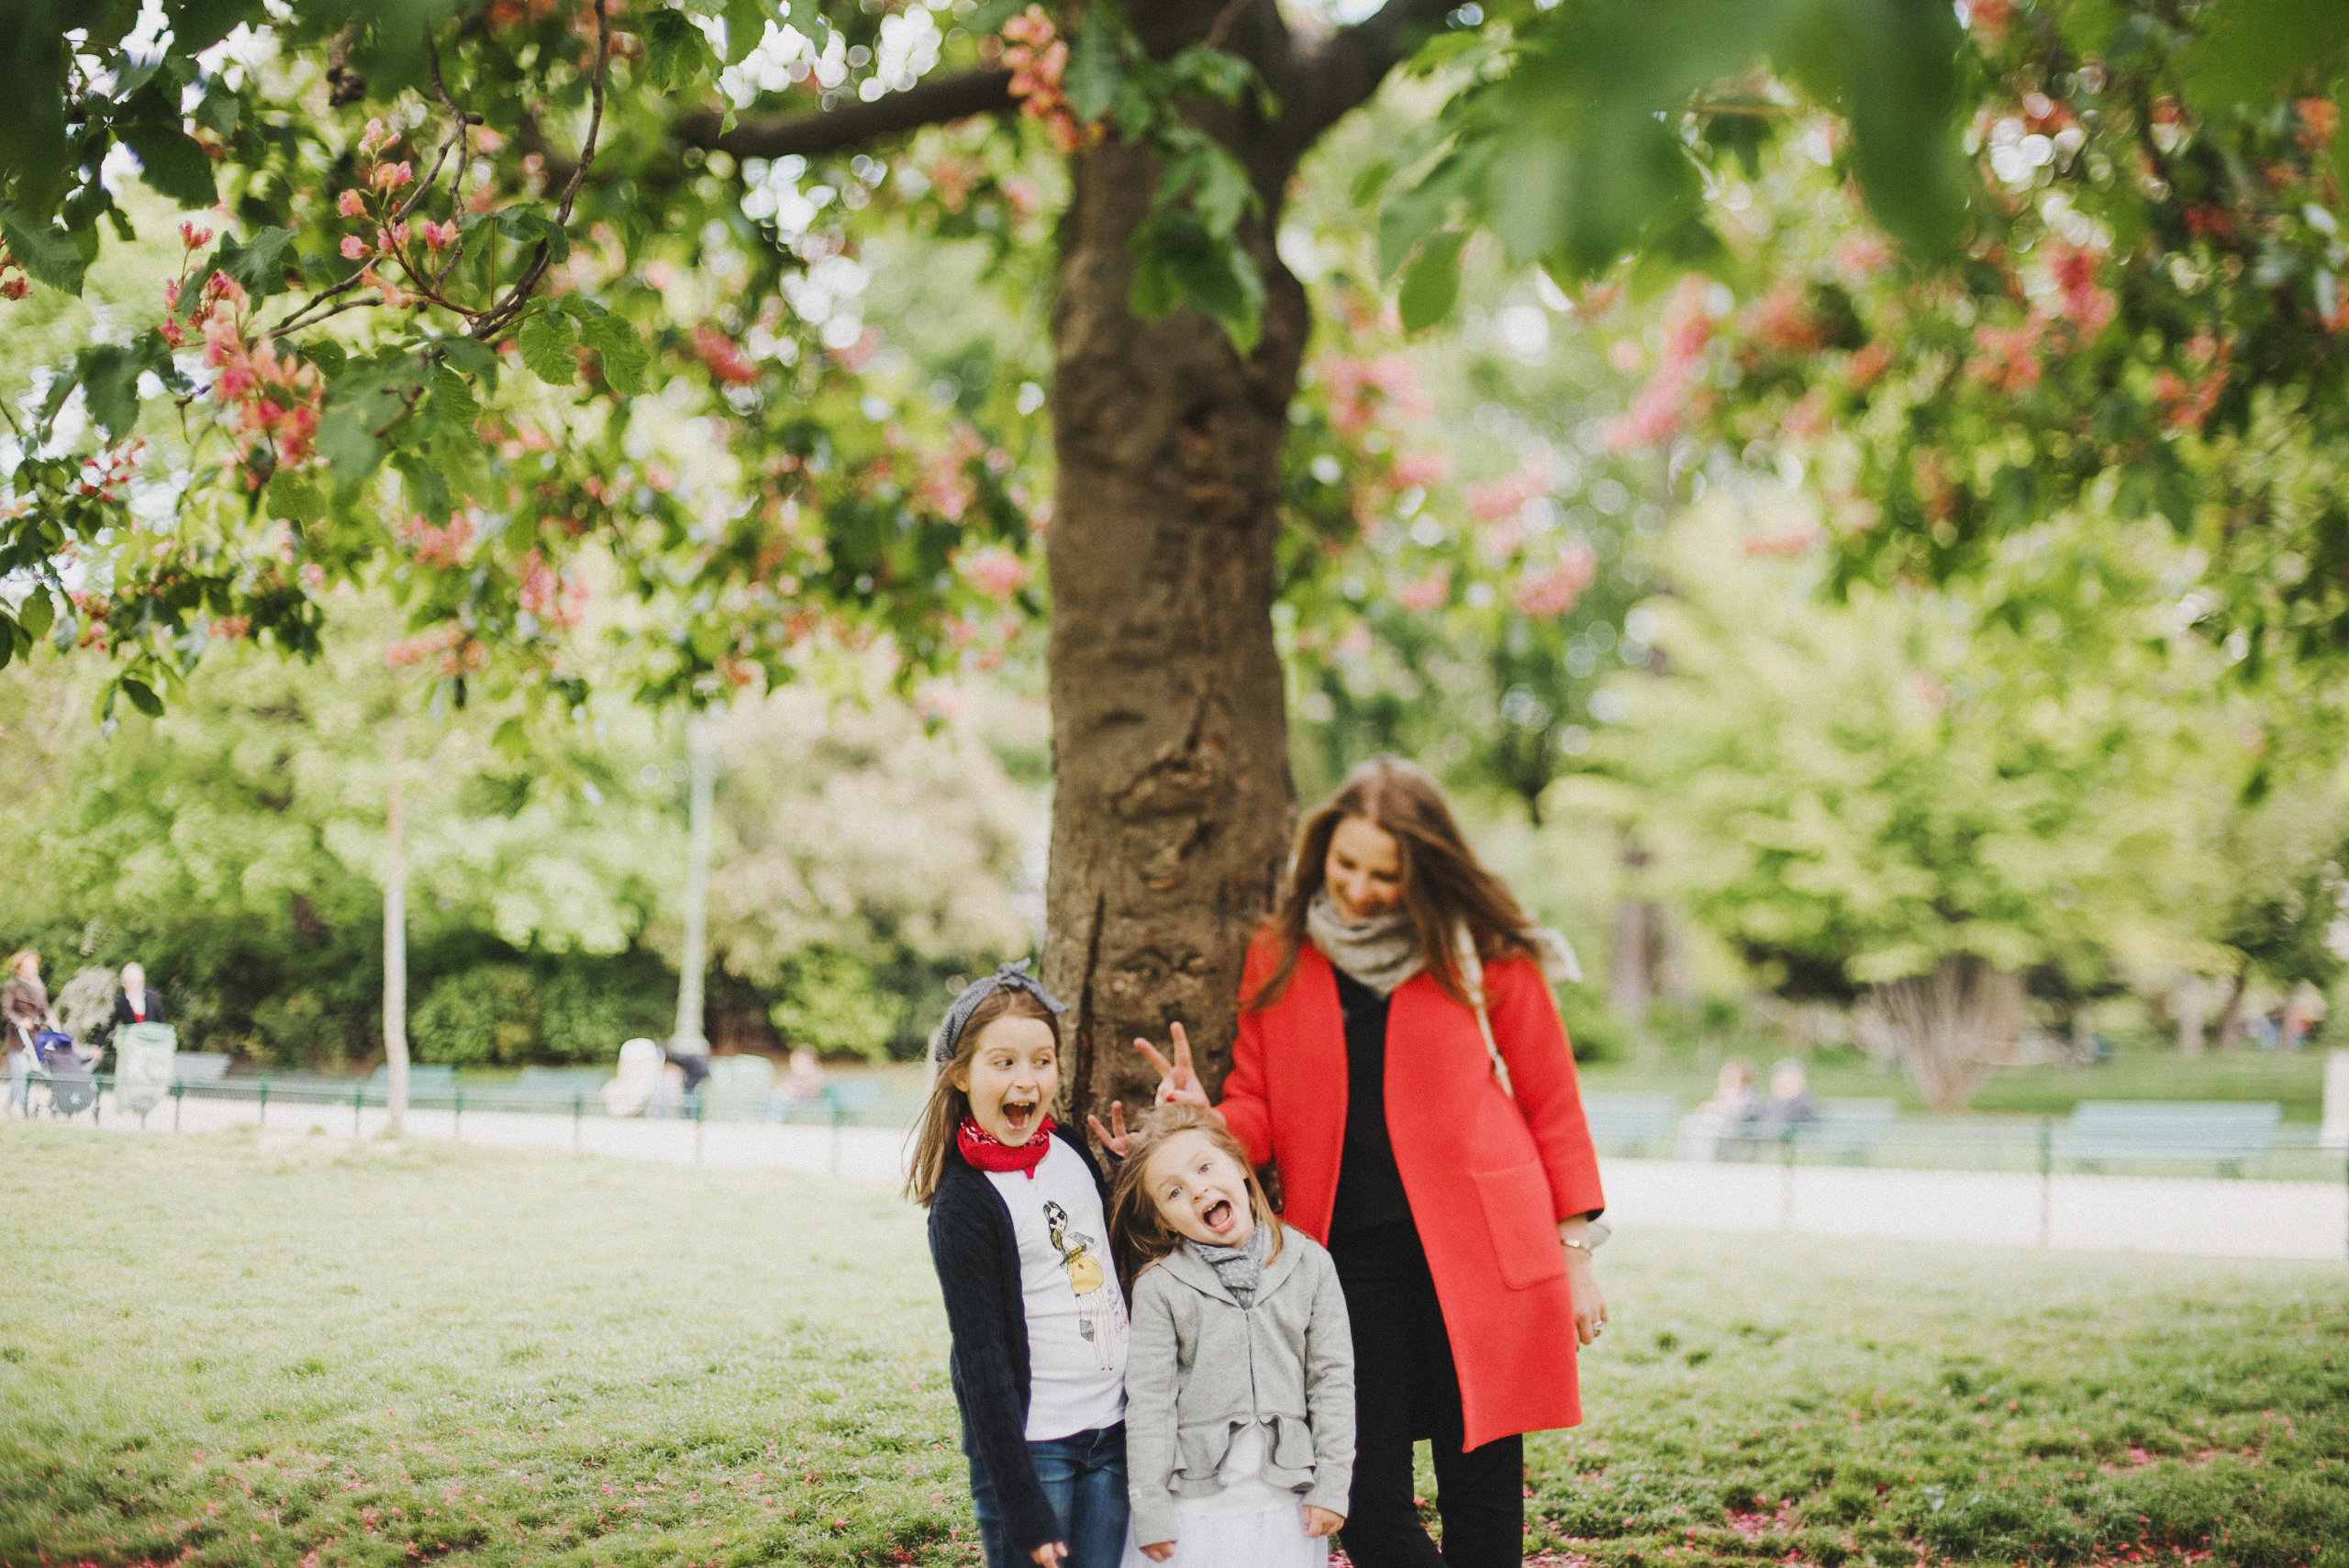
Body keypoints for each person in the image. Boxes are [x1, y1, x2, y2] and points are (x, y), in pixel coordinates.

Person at [1094, 756, 1607, 1568]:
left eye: (1385, 873)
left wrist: (1575, 1252)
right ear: (1320, 853)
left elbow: (1552, 1099)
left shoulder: (1483, 950)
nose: (1361, 888)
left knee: (1482, 1505)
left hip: (1482, 1259)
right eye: (1346, 865)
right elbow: (1259, 1107)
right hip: (1347, 1264)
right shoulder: (1283, 950)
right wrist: (1207, 1118)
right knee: (1358, 1500)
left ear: (1422, 868)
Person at [910, 962, 1132, 1568]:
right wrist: (1021, 1500)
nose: (1026, 1079)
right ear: (959, 1072)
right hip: (1036, 1449)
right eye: (1002, 1062)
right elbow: (982, 1362)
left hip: (1112, 1431)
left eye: (1042, 1060)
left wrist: (1135, 1172)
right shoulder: (965, 1201)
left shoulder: (1068, 1149)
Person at [1110, 1105, 1354, 1568]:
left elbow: (1332, 1380)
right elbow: (1150, 1403)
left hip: (1284, 1507)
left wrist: (1333, 1484)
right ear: (1164, 1220)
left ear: (1241, 1167)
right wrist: (1151, 1508)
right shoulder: (1161, 1287)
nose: (1199, 1188)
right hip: (1195, 1510)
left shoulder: (1311, 1264)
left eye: (1205, 1167)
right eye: (1175, 1191)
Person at [5, 950, 56, 1118]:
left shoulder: (39, 987)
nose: (33, 969)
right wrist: (20, 1020)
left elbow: (44, 1009)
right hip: (18, 1037)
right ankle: (20, 1107)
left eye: (34, 966)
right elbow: (6, 1010)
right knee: (20, 1073)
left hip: (35, 1037)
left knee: (27, 1073)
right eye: (28, 966)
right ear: (19, 969)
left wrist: (51, 1018)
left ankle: (13, 1105)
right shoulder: (13, 986)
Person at [1756, 1057, 1817, 1141]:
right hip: (1772, 1134)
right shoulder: (1774, 1101)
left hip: (1793, 1136)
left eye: (1789, 1081)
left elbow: (1800, 1122)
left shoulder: (1801, 1102)